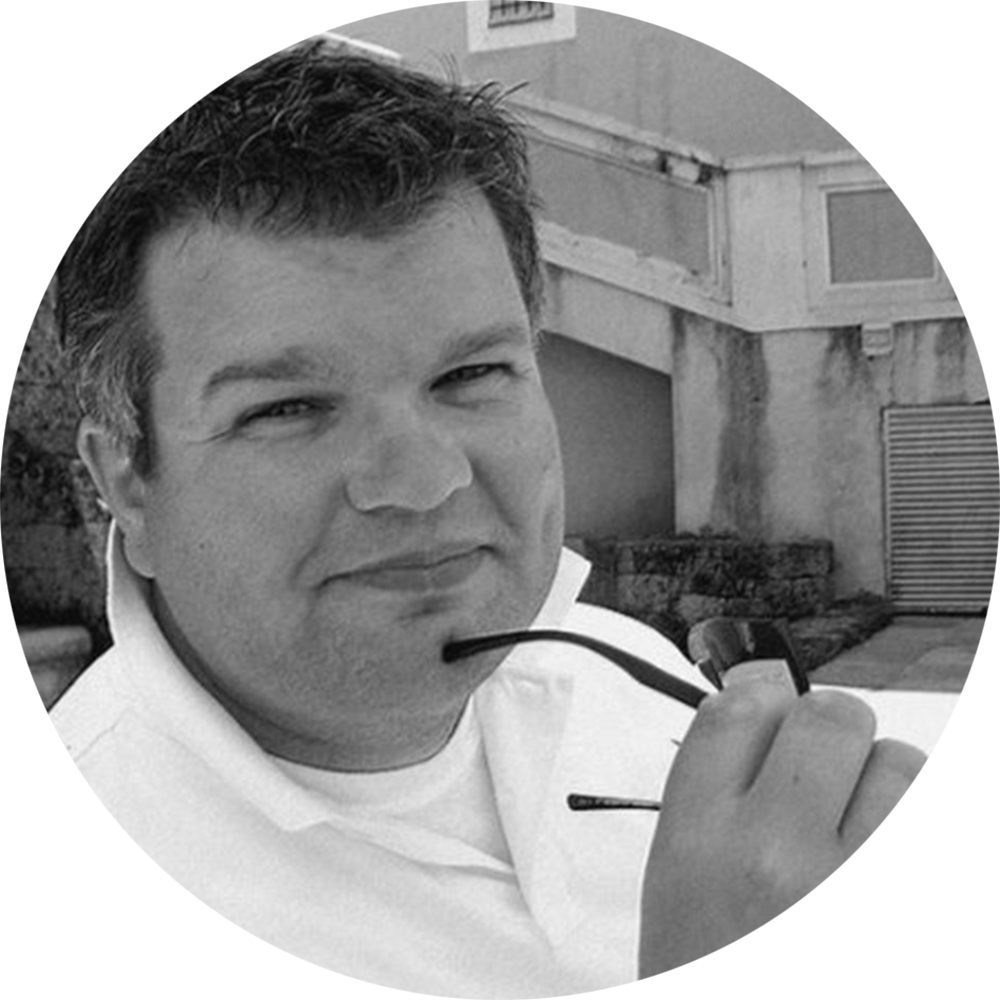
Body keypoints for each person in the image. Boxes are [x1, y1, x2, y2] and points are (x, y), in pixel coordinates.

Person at [47, 40, 929, 994]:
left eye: (470, 374)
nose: (423, 482)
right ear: (128, 480)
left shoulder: (627, 680)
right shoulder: (57, 903)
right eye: (286, 408)